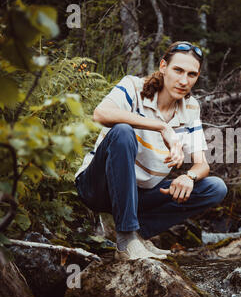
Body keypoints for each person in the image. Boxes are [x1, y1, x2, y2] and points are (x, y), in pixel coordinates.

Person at [74, 41, 227, 260]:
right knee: (123, 132)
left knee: (215, 187)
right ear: (163, 66)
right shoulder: (133, 87)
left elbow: (202, 164)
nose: (184, 81)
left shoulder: (191, 107)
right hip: (98, 187)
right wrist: (161, 126)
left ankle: (138, 234)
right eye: (178, 70)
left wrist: (189, 176)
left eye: (192, 75)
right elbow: (101, 114)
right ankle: (126, 240)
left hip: (139, 195)